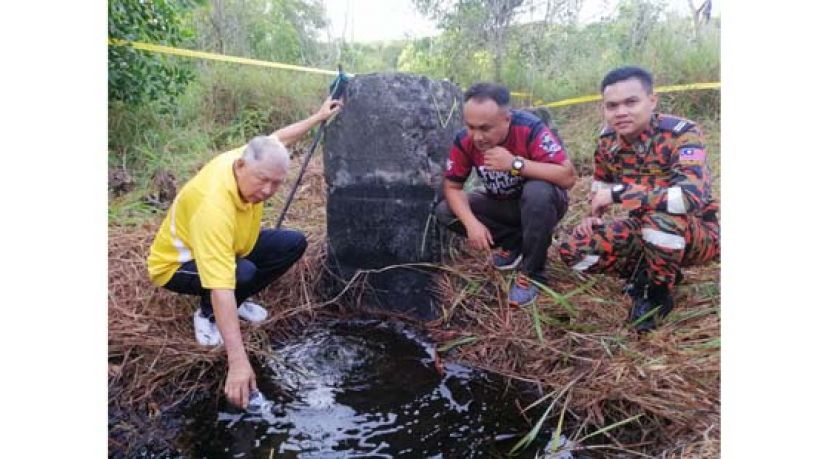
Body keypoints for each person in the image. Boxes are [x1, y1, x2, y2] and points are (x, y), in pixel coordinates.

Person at [146, 97, 342, 409]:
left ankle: (236, 302)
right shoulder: (213, 204)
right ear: (241, 166)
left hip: (229, 246)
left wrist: (318, 116)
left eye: (276, 183)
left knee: (292, 243)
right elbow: (221, 286)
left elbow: (279, 138)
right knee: (241, 275)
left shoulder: (253, 156)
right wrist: (238, 363)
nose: (267, 190)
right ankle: (207, 315)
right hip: (178, 263)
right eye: (262, 180)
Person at [558, 66, 719, 332]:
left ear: (652, 101)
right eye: (612, 106)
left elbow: (689, 198)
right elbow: (601, 184)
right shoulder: (607, 140)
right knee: (574, 250)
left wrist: (619, 194)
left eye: (631, 102)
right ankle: (653, 268)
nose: (621, 112)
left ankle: (657, 294)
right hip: (644, 229)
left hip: (697, 233)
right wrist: (594, 218)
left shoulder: (682, 134)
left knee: (660, 216)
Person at [435, 82, 576, 307]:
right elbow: (452, 187)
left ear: (507, 119)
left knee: (537, 191)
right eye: (471, 127)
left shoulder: (529, 129)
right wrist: (471, 223)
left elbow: (567, 177)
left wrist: (515, 164)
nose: (477, 137)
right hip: (504, 204)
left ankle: (532, 273)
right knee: (446, 211)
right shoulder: (464, 140)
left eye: (485, 128)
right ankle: (516, 243)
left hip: (542, 203)